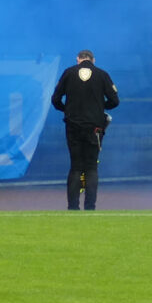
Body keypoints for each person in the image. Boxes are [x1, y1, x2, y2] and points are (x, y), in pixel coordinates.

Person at [50, 49, 119, 210]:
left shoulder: (68, 73)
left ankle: (73, 207)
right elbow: (115, 101)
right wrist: (99, 107)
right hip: (94, 127)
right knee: (91, 167)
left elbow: (55, 100)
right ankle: (90, 206)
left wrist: (67, 109)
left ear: (78, 60)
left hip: (73, 126)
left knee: (75, 167)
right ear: (93, 60)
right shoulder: (102, 74)